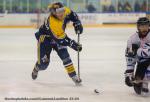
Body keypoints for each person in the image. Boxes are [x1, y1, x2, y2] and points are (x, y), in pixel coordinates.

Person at [31, 2, 83, 85]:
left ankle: (74, 76)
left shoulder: (65, 11)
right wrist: (72, 44)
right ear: (53, 13)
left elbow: (72, 14)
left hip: (59, 37)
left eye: (62, 10)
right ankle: (37, 67)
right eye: (58, 12)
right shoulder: (53, 22)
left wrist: (77, 22)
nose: (61, 13)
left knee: (65, 56)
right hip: (45, 40)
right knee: (44, 65)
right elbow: (60, 39)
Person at [125, 17, 150, 95]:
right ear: (138, 27)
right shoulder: (132, 39)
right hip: (142, 63)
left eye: (146, 26)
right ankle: (141, 80)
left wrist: (139, 51)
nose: (144, 28)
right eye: (141, 26)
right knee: (138, 89)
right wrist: (129, 72)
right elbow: (130, 56)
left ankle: (145, 81)